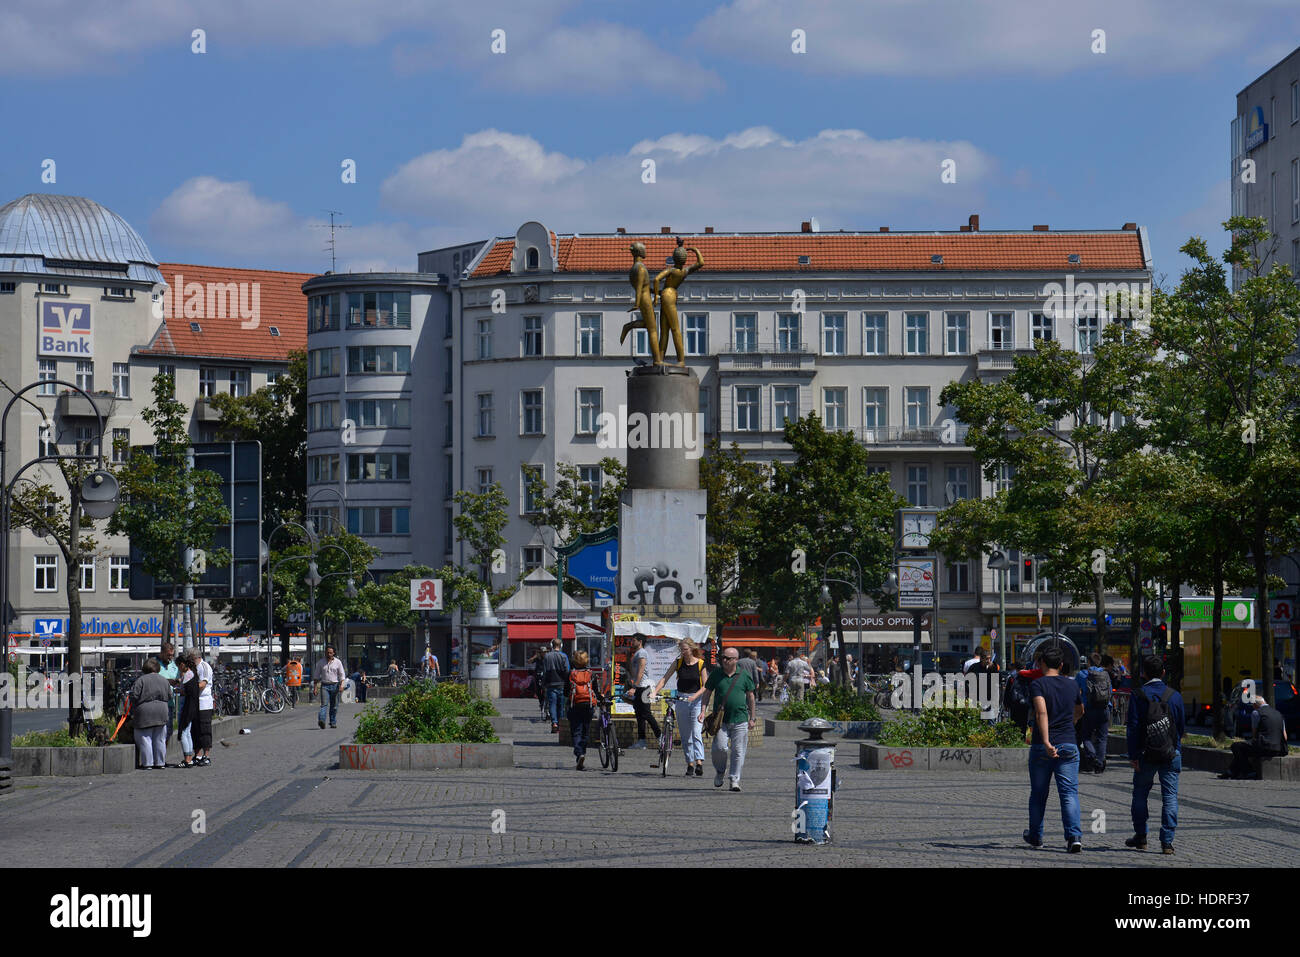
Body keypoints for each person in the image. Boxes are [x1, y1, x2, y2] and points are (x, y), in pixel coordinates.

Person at [1024, 642, 1084, 852]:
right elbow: (1080, 710)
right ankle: (1074, 837)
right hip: (1068, 743)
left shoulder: (1038, 685)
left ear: (1041, 663)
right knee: (1069, 793)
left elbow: (1041, 713)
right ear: (1060, 664)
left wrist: (1048, 742)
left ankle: (1036, 837)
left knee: (1039, 794)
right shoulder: (1072, 685)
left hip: (1043, 746)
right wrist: (1071, 724)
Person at [1125, 655, 1185, 854]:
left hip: (1145, 754)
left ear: (1143, 673)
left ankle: (1141, 836)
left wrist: (1133, 755)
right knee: (1170, 796)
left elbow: (1132, 727)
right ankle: (1167, 842)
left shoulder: (1138, 695)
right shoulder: (1175, 696)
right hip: (1171, 753)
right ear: (1163, 673)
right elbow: (1181, 726)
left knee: (1140, 794)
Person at [701, 647, 758, 791]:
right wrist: (703, 711)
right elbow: (707, 693)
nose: (724, 660)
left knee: (738, 751)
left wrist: (753, 717)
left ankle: (734, 779)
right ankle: (720, 771)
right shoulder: (716, 674)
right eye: (723, 657)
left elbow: (751, 697)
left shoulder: (744, 675)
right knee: (719, 748)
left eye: (728, 658)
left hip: (740, 719)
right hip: (721, 721)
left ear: (736, 660)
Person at [654, 639, 708, 776]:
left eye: (685, 650)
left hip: (696, 700)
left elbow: (706, 686)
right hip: (681, 699)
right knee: (685, 735)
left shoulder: (700, 663)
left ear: (691, 649)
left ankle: (699, 762)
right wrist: (655, 691)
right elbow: (665, 678)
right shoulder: (678, 663)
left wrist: (695, 696)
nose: (683, 652)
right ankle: (690, 763)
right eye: (681, 650)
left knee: (696, 732)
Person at [1223, 686, 1288, 780]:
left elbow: (1254, 735)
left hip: (1264, 747)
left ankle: (1249, 772)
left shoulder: (1256, 713)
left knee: (1236, 747)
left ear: (1255, 705)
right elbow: (1285, 736)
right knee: (1243, 750)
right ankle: (1230, 772)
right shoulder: (1279, 714)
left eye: (1253, 705)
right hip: (1279, 749)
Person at [129, 658, 172, 770]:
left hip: (145, 712)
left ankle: (147, 763)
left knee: (145, 738)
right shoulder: (164, 680)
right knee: (160, 739)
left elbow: (134, 695)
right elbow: (170, 695)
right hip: (162, 711)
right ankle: (160, 762)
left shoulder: (141, 680)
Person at [1076, 652, 1113, 773]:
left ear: (1088, 662)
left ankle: (1092, 756)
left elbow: (1076, 692)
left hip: (1089, 709)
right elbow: (1110, 692)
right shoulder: (1105, 674)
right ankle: (1100, 761)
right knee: (1102, 738)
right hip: (1104, 708)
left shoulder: (1082, 674)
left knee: (1086, 736)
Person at [625, 635, 660, 750]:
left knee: (646, 713)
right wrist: (627, 658)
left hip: (645, 687)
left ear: (640, 642)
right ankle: (641, 741)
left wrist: (634, 687)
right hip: (639, 688)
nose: (631, 642)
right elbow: (633, 671)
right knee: (639, 714)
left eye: (633, 640)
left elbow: (641, 670)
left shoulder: (642, 653)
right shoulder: (636, 653)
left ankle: (660, 737)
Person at [154, 642, 179, 757]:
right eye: (168, 655)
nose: (171, 657)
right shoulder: (154, 663)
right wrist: (168, 681)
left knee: (168, 731)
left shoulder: (174, 665)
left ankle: (162, 756)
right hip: (156, 702)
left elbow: (178, 679)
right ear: (162, 653)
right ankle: (156, 756)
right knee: (156, 730)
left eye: (172, 655)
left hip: (169, 702)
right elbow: (152, 678)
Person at [541, 638, 571, 734]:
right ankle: (560, 723)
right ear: (561, 645)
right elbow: (567, 671)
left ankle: (554, 723)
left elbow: (545, 672)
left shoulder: (547, 656)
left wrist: (544, 684)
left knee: (552, 705)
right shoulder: (564, 656)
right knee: (561, 706)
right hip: (562, 684)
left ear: (551, 645)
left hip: (550, 684)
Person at [176, 653, 200, 768]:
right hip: (193, 706)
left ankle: (187, 759)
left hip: (187, 706)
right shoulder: (193, 673)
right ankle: (189, 757)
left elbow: (185, 691)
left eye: (178, 666)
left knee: (183, 733)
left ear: (182, 664)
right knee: (188, 733)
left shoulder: (187, 675)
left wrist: (175, 691)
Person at [191, 647, 214, 766]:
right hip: (194, 703)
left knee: (205, 729)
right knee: (194, 730)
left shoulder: (204, 667)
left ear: (196, 657)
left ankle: (206, 755)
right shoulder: (192, 668)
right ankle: (198, 754)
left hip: (204, 702)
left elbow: (202, 684)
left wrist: (189, 688)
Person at [314, 645, 346, 729]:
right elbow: (316, 676)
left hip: (335, 685)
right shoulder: (321, 662)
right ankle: (322, 721)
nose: (329, 654)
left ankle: (332, 722)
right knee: (324, 704)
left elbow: (342, 675)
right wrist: (315, 688)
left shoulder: (338, 662)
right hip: (325, 686)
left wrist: (342, 686)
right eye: (327, 652)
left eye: (330, 653)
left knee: (334, 706)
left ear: (334, 653)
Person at [530, 650, 548, 718]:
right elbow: (529, 661)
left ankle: (545, 705)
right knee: (538, 691)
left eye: (544, 652)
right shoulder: (537, 658)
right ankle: (541, 703)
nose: (543, 653)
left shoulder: (547, 658)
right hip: (538, 676)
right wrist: (534, 657)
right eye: (542, 652)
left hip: (545, 676)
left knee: (545, 691)